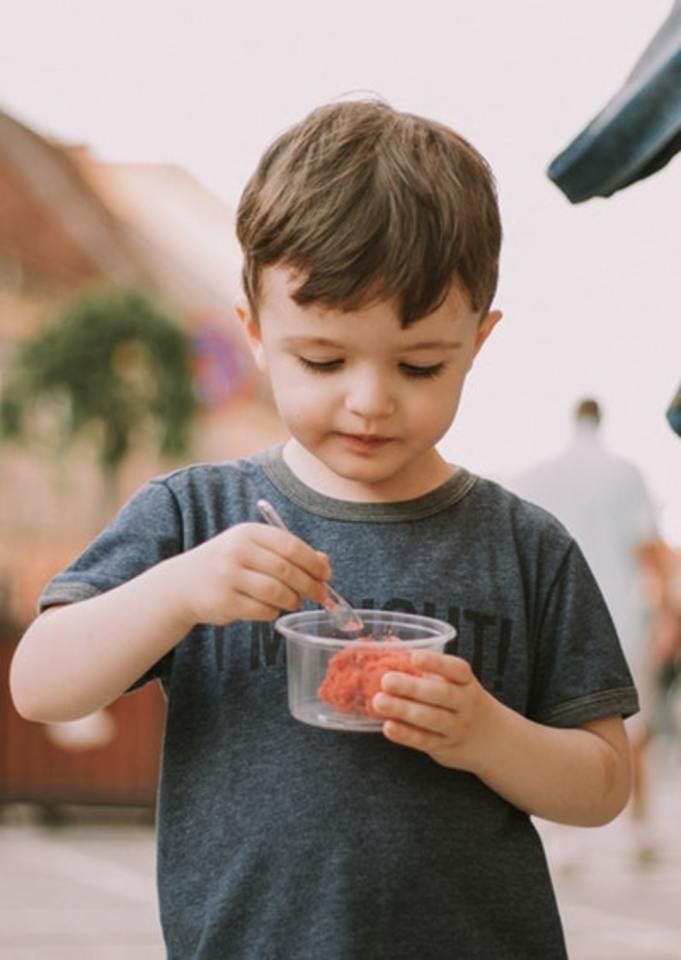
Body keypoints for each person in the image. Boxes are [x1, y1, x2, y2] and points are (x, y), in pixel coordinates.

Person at [9, 100, 636, 960]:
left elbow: (602, 783)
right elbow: (42, 685)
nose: (369, 400)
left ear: (478, 343)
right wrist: (179, 590)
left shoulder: (525, 545)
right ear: (256, 335)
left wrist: (488, 734)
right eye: (323, 359)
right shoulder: (196, 518)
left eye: (420, 365)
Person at [510, 397, 659, 862]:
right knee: (635, 731)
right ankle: (638, 833)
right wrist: (670, 614)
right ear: (602, 420)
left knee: (553, 726)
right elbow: (647, 550)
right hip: (620, 616)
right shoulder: (624, 473)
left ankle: (562, 838)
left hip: (550, 616)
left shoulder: (538, 475)